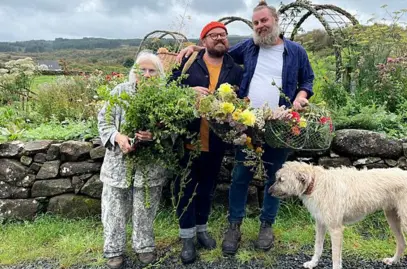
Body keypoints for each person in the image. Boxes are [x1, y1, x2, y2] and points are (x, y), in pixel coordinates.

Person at [177, 0, 314, 255]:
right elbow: (219, 52)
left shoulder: (296, 51)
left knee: (277, 177)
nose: (260, 26)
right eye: (256, 23)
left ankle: (266, 226)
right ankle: (234, 226)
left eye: (264, 20)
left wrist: (300, 96)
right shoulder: (249, 48)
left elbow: (308, 79)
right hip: (247, 126)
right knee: (240, 177)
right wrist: (195, 47)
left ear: (275, 21)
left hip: (280, 126)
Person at [170, 21, 243, 264]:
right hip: (187, 138)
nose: (220, 38)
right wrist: (188, 94)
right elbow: (169, 89)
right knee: (185, 189)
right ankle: (187, 238)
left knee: (207, 188)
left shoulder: (235, 68)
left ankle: (201, 230)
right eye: (214, 35)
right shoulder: (189, 62)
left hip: (216, 141)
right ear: (204, 41)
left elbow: (241, 100)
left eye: (223, 35)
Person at [98, 51, 167, 269]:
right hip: (118, 165)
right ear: (134, 72)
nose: (146, 75)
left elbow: (176, 132)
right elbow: (104, 121)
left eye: (151, 70)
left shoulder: (164, 98)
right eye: (142, 70)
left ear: (159, 74)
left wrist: (155, 136)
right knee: (114, 209)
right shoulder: (119, 92)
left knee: (145, 208)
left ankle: (144, 247)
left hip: (150, 167)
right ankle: (113, 250)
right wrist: (117, 137)